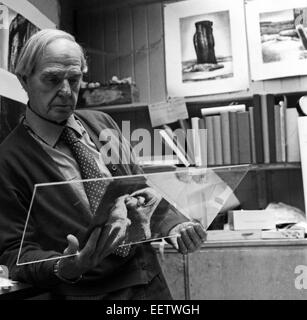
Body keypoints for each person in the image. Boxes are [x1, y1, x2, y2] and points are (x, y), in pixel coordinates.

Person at [0, 29, 206, 300]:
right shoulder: (9, 161)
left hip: (147, 281)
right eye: (51, 79)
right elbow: (15, 252)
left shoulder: (102, 123)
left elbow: (141, 189)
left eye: (74, 79)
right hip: (86, 292)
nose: (65, 91)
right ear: (24, 80)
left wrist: (173, 225)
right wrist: (65, 265)